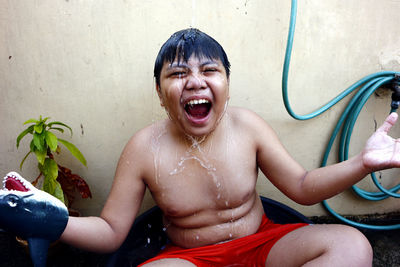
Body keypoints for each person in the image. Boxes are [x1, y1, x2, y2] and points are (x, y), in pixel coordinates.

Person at [60, 28, 400, 266]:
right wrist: (51, 223)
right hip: (188, 257)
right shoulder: (144, 148)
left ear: (226, 84)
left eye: (210, 70)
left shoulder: (247, 127)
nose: (195, 81)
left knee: (352, 246)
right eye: (178, 74)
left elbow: (302, 187)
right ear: (161, 95)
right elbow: (110, 232)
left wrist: (363, 163)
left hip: (264, 245)